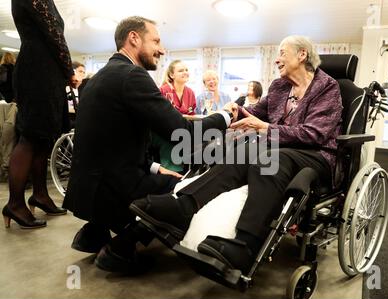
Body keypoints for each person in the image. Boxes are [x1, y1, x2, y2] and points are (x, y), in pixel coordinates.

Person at [130, 35, 343, 274]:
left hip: (316, 155)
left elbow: (315, 134)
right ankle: (185, 207)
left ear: (302, 54)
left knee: (270, 158)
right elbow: (255, 112)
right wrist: (234, 110)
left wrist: (265, 128)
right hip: (279, 146)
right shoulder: (279, 87)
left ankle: (246, 244)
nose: (276, 60)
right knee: (244, 149)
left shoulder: (327, 87)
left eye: (282, 53)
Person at [62, 16, 236, 273]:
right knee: (185, 191)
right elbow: (183, 132)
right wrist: (225, 116)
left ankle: (93, 232)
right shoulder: (132, 75)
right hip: (111, 188)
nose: (161, 49)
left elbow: (112, 142)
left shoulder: (97, 78)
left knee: (164, 175)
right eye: (156, 40)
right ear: (134, 38)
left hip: (83, 189)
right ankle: (119, 249)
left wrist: (155, 167)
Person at [3, 0, 78, 229]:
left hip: (45, 71)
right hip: (38, 70)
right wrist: (69, 70)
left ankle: (40, 195)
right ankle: (14, 204)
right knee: (30, 137)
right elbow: (54, 34)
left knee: (43, 138)